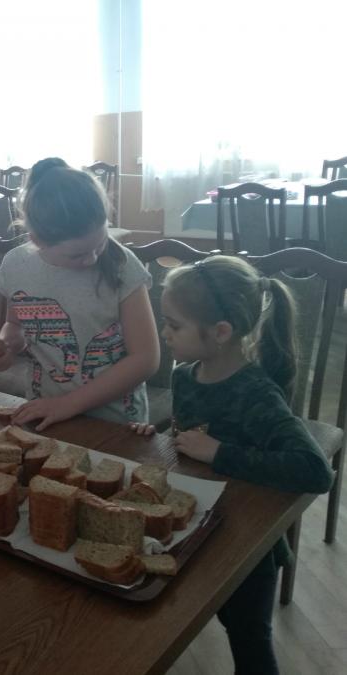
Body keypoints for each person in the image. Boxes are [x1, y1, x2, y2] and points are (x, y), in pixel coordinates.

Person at [131, 255, 333, 674]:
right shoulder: (185, 375)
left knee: (248, 640)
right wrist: (161, 432)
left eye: (174, 325)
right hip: (199, 528)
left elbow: (315, 470)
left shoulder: (257, 394)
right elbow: (193, 429)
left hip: (247, 549)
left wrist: (219, 452)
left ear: (221, 332)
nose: (165, 333)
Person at [0, 157, 159, 430]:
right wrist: (8, 346)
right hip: (46, 411)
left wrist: (68, 404)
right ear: (37, 240)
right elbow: (15, 324)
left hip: (116, 422)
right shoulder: (16, 265)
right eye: (77, 255)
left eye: (100, 244)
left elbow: (146, 359)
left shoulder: (123, 264)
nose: (92, 259)